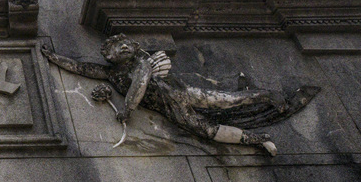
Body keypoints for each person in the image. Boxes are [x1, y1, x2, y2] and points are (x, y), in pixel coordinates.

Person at [41, 34, 318, 155]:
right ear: (109, 56)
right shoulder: (111, 74)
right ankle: (257, 139)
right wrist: (53, 57)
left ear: (132, 47)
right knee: (207, 131)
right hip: (172, 110)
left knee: (226, 101)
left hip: (180, 93)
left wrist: (127, 109)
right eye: (115, 48)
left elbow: (140, 84)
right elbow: (81, 67)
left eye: (124, 45)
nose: (120, 49)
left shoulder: (141, 63)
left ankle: (269, 96)